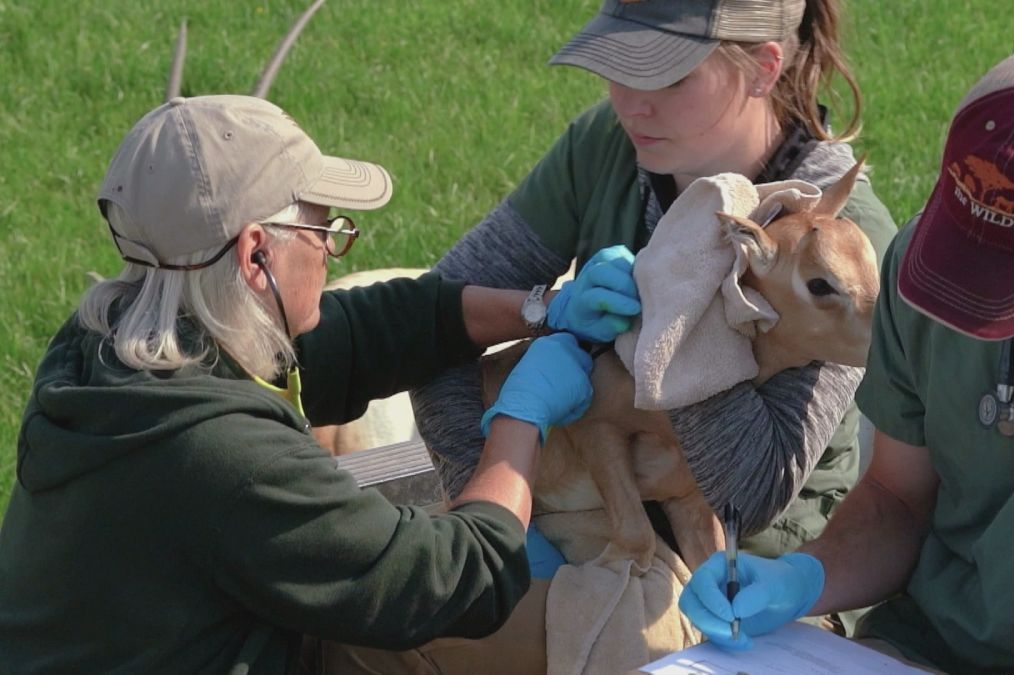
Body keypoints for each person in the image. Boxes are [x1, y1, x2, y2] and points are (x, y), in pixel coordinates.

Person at [0, 94, 641, 673]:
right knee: (578, 625)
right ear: (257, 255)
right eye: (325, 231)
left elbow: (368, 331)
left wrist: (541, 307)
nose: (333, 250)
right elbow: (454, 582)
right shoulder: (223, 456)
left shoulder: (112, 342)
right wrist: (520, 419)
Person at [680, 50, 1014, 672]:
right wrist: (803, 578)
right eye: (967, 251)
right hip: (926, 646)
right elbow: (897, 502)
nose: (976, 289)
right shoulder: (918, 268)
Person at [411, 0, 895, 586]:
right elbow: (424, 329)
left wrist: (678, 310)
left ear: (765, 68)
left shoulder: (840, 247)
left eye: (670, 75)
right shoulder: (610, 145)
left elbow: (749, 492)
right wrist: (500, 516)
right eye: (620, 64)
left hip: (755, 579)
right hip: (579, 530)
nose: (632, 101)